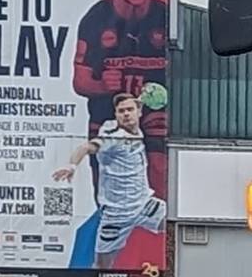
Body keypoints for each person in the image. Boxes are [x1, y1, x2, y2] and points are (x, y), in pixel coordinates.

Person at [54, 92, 169, 266]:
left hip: (144, 204)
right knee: (102, 267)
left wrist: (143, 96)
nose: (126, 114)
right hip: (117, 215)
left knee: (177, 223)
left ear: (139, 112)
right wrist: (71, 166)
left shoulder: (137, 130)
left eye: (130, 109)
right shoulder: (113, 137)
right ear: (116, 115)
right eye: (121, 111)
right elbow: (86, 147)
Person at [74, 0, 172, 131]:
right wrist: (101, 85)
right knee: (107, 156)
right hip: (108, 112)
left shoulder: (165, 16)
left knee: (159, 158)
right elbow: (79, 81)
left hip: (155, 111)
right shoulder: (95, 18)